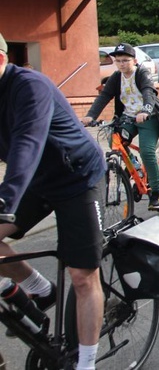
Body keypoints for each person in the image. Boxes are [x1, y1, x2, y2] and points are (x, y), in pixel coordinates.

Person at [0, 32, 105, 369]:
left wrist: (5, 202)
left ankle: (86, 363)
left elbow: (26, 145)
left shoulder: (29, 87)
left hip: (76, 177)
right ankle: (40, 288)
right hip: (36, 181)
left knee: (82, 275)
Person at [83, 43, 159, 210]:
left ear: (134, 60)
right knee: (113, 140)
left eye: (125, 60)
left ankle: (156, 193)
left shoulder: (141, 73)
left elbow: (148, 92)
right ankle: (136, 167)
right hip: (128, 118)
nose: (122, 64)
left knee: (146, 150)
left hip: (149, 118)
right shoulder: (116, 77)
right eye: (118, 61)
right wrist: (90, 116)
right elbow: (104, 96)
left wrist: (146, 110)